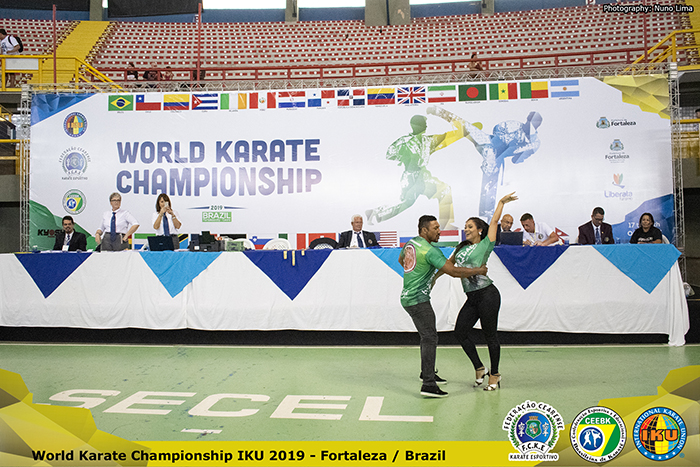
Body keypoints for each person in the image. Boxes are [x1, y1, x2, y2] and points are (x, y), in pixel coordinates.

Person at [399, 214, 488, 398]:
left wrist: (420, 274)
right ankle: (428, 384)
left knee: (426, 337)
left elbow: (402, 261)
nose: (440, 231)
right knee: (430, 338)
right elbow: (453, 271)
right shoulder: (431, 251)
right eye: (436, 228)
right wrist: (478, 270)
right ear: (424, 230)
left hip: (408, 297)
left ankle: (427, 373)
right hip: (418, 300)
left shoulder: (411, 243)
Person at [437, 192, 517, 392]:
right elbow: (448, 266)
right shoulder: (461, 248)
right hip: (472, 298)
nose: (466, 229)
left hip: (487, 295)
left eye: (470, 226)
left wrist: (501, 203)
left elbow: (494, 221)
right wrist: (433, 279)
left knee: (490, 336)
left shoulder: (485, 244)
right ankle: (479, 367)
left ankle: (495, 374)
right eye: (465, 226)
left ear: (480, 230)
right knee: (460, 332)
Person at [429, 107, 542, 219]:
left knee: (489, 187)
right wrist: (504, 142)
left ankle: (485, 219)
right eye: (528, 123)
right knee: (466, 126)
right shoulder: (514, 125)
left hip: (495, 157)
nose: (527, 127)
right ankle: (438, 111)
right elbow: (497, 129)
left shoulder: (534, 142)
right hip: (487, 141)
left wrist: (515, 148)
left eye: (531, 125)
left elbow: (516, 159)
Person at [366, 112, 467, 229]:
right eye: (423, 123)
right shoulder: (404, 141)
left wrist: (462, 132)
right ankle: (376, 213)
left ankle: (446, 225)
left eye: (425, 123)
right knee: (406, 202)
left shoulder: (428, 140)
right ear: (415, 125)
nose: (426, 126)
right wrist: (403, 158)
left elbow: (446, 137)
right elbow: (389, 154)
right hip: (411, 177)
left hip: (424, 176)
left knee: (444, 190)